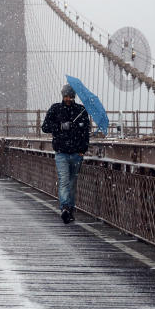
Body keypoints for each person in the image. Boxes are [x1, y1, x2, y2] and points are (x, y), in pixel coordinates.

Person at [41, 84, 91, 224]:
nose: (68, 99)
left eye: (70, 96)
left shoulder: (81, 111)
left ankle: (70, 209)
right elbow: (45, 127)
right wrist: (61, 126)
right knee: (64, 181)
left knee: (72, 183)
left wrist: (83, 150)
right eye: (66, 96)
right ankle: (65, 208)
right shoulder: (56, 109)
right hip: (61, 153)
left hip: (76, 153)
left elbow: (85, 133)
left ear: (74, 96)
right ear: (62, 96)